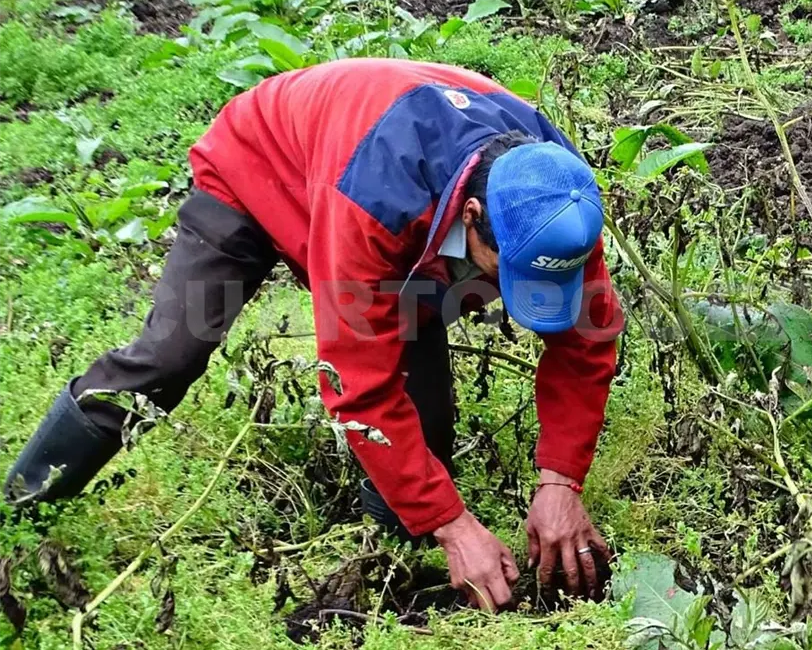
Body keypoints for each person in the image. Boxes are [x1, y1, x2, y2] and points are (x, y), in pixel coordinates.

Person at [3, 59, 624, 611]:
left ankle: (381, 570)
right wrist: (455, 524)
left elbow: (587, 342)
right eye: (504, 271)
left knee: (425, 423)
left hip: (385, 193)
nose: (512, 293)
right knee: (170, 356)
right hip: (260, 169)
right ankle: (18, 513)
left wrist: (559, 482)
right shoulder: (378, 197)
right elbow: (359, 386)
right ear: (473, 218)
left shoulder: (556, 197)